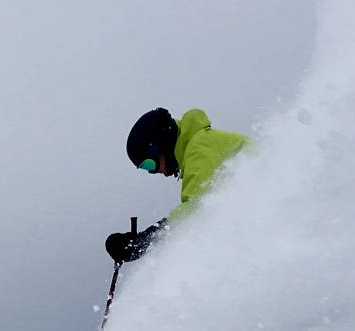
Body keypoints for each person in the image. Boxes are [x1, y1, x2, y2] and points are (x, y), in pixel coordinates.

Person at [105, 107, 249, 264]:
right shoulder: (199, 146)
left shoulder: (199, 148)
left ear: (161, 144)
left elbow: (197, 211)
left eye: (149, 164)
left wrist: (145, 240)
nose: (153, 172)